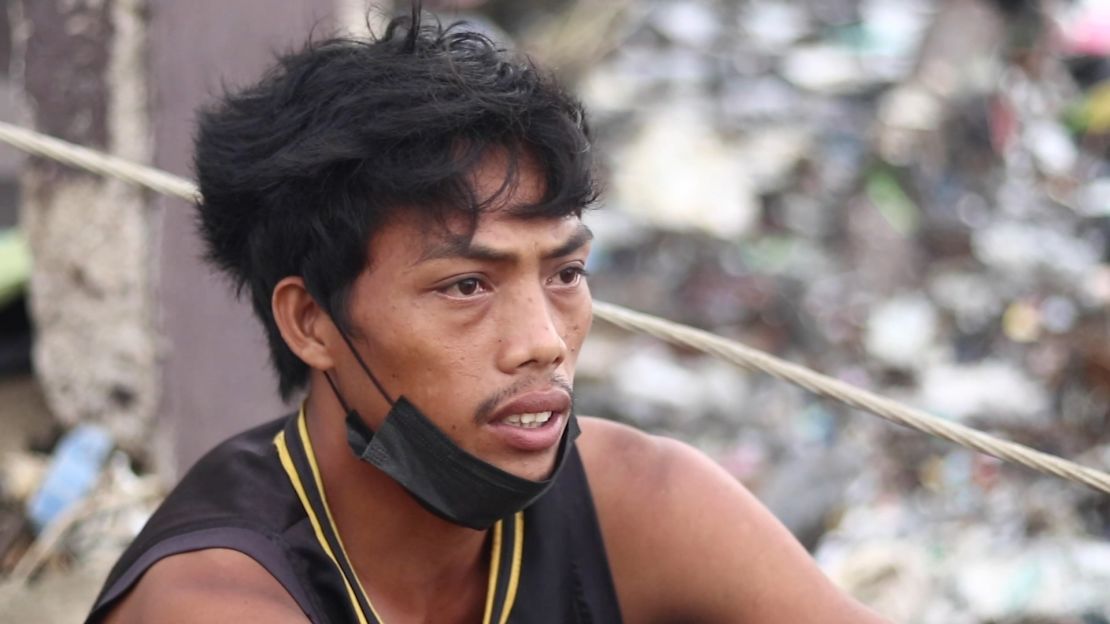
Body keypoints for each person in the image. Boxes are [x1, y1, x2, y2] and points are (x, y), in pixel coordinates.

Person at [89, 5, 888, 623]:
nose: (542, 343)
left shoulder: (638, 500)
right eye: (466, 287)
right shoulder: (215, 598)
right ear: (311, 322)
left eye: (566, 273)